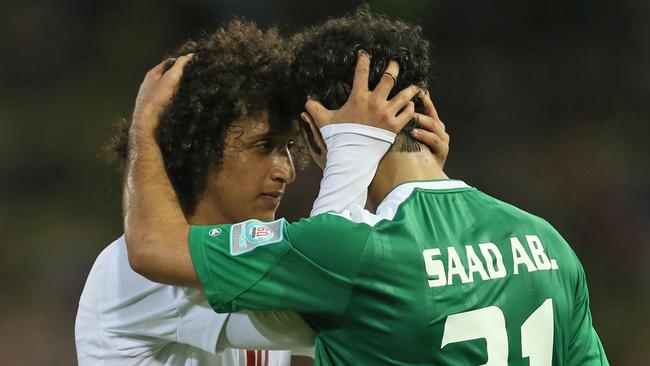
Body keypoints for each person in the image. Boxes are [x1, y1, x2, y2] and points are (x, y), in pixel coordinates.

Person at [123, 7, 609, 365]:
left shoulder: (347, 252)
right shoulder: (547, 241)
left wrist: (145, 128)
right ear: (422, 110)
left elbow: (150, 248)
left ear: (316, 133)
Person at [75, 18, 449, 365]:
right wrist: (386, 169)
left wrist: (412, 178)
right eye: (264, 146)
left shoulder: (258, 253)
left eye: (288, 147)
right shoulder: (135, 269)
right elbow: (344, 310)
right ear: (198, 149)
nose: (286, 170)